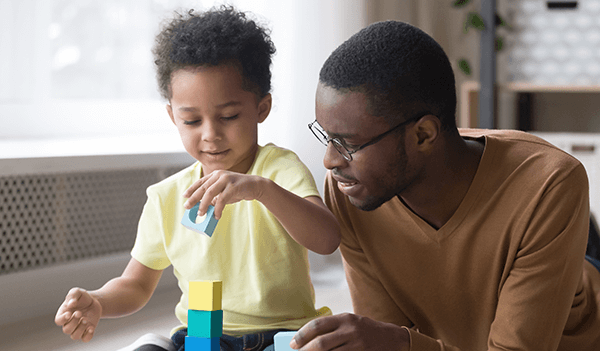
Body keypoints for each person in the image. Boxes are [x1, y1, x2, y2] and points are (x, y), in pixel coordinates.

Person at [290, 20, 600, 350]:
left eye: (347, 143)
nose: (329, 160)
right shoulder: (351, 190)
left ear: (423, 135)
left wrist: (399, 342)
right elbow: (387, 336)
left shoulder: (548, 183)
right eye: (327, 137)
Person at [54, 6, 340, 351]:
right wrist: (98, 302)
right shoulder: (167, 197)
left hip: (282, 336)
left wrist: (262, 191)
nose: (210, 135)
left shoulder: (278, 169)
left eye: (229, 116)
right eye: (191, 121)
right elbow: (136, 284)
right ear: (173, 116)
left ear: (261, 108)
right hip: (201, 340)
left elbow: (327, 239)